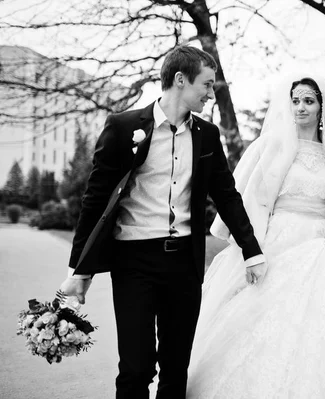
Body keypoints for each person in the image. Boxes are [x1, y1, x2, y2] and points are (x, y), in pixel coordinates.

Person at [57, 45, 267, 399]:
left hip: (184, 263)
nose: (210, 93)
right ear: (180, 80)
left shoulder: (208, 135)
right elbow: (95, 203)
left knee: (175, 368)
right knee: (136, 368)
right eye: (207, 84)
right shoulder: (123, 128)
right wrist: (79, 270)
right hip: (133, 262)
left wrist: (252, 251)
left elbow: (227, 196)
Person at [186, 74, 325, 398]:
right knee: (259, 319)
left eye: (308, 100)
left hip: (317, 248)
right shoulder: (271, 146)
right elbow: (251, 199)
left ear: (322, 109)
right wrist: (251, 251)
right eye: (296, 100)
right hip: (277, 241)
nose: (300, 107)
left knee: (320, 324)